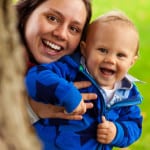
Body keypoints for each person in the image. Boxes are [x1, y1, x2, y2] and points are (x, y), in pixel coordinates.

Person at [25, 10, 143, 150]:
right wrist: (66, 92)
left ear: (132, 62)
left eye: (121, 55)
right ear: (84, 49)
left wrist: (117, 132)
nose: (110, 60)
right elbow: (35, 76)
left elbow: (135, 125)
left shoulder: (126, 95)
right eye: (102, 50)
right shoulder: (69, 70)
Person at [15, 0, 98, 123]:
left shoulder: (79, 74)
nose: (61, 34)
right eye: (52, 18)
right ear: (28, 13)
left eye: (74, 29)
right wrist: (31, 109)